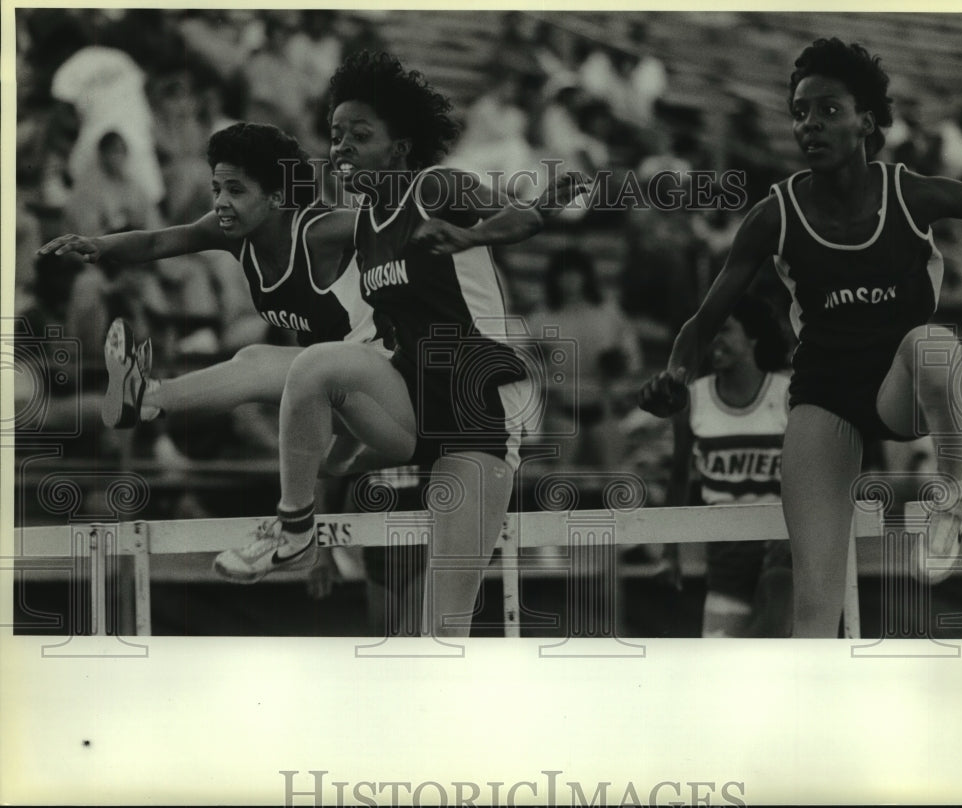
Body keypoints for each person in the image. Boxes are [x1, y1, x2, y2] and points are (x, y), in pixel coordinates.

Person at [213, 52, 588, 640]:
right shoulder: (362, 224)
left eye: (360, 136)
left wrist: (468, 234)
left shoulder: (434, 185)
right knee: (314, 365)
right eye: (336, 137)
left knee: (441, 632)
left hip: (476, 403)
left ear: (401, 146)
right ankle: (294, 530)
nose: (342, 149)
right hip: (413, 392)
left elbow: (524, 219)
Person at [639, 38, 962, 638]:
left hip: (899, 386)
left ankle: (952, 491)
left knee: (934, 345)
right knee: (815, 610)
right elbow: (707, 318)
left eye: (828, 109)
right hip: (824, 393)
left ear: (865, 121)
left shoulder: (911, 194)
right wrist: (675, 371)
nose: (809, 124)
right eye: (800, 112)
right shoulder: (776, 214)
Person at [39, 121, 381, 431]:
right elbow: (157, 240)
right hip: (339, 385)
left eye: (236, 190)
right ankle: (142, 399)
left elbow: (403, 222)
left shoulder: (320, 231)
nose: (220, 202)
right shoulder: (227, 230)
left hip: (384, 372)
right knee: (320, 461)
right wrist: (99, 244)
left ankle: (145, 398)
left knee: (257, 362)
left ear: (276, 197)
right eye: (217, 189)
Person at [668, 296, 792, 638]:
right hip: (726, 556)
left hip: (782, 550)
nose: (714, 341)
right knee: (722, 666)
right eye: (709, 334)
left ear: (752, 336)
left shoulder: (787, 394)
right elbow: (679, 476)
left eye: (724, 331)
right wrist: (670, 551)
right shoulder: (693, 398)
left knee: (783, 662)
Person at [527, 247, 641, 468]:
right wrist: (542, 366)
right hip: (560, 406)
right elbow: (527, 366)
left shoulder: (608, 313)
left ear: (586, 276)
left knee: (616, 470)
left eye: (575, 274)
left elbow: (632, 359)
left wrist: (617, 364)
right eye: (563, 275)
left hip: (602, 405)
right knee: (561, 470)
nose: (570, 281)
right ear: (554, 279)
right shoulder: (541, 318)